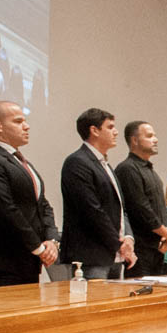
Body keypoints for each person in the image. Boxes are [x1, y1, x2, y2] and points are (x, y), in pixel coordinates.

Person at [0, 101, 59, 288]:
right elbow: (5, 210)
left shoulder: (21, 161)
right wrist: (39, 248)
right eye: (18, 121)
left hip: (26, 264)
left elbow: (43, 205)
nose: (26, 126)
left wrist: (52, 240)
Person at [59, 108, 136, 278]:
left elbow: (121, 209)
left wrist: (128, 238)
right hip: (91, 257)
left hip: (114, 255)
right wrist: (119, 244)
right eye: (110, 127)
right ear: (94, 130)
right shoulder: (77, 162)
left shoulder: (105, 165)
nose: (116, 132)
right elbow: (91, 210)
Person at [115, 121, 167, 277]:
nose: (155, 139)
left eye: (154, 135)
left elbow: (161, 208)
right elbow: (140, 209)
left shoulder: (152, 172)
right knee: (140, 289)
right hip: (139, 248)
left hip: (157, 247)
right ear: (134, 140)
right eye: (149, 136)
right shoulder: (127, 168)